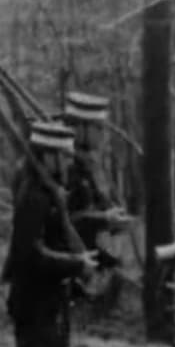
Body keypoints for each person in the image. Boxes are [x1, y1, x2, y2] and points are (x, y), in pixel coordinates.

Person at [4, 120, 99, 347]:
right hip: (34, 297)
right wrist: (75, 264)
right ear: (49, 158)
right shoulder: (34, 197)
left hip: (47, 293)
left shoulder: (47, 192)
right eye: (64, 156)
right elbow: (29, 252)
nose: (70, 162)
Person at [63, 91, 131, 273]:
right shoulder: (64, 167)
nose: (103, 134)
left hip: (86, 263)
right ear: (80, 129)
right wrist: (105, 219)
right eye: (98, 128)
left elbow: (96, 204)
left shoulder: (87, 164)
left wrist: (113, 218)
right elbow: (66, 222)